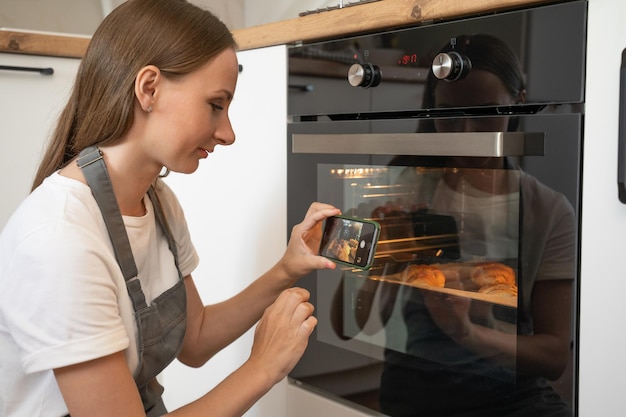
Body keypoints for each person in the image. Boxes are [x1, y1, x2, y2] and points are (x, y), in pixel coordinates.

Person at [0, 1, 341, 416]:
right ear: (149, 89)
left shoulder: (158, 204)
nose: (228, 133)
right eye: (216, 104)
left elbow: (194, 339)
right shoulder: (59, 240)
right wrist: (263, 368)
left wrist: (287, 268)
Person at [335, 34, 575, 416]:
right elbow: (347, 325)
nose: (465, 137)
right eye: (449, 115)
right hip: (417, 391)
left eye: (484, 115)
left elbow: (553, 357)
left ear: (519, 102)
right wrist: (375, 266)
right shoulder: (395, 187)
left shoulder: (548, 211)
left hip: (513, 397)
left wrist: (468, 333)